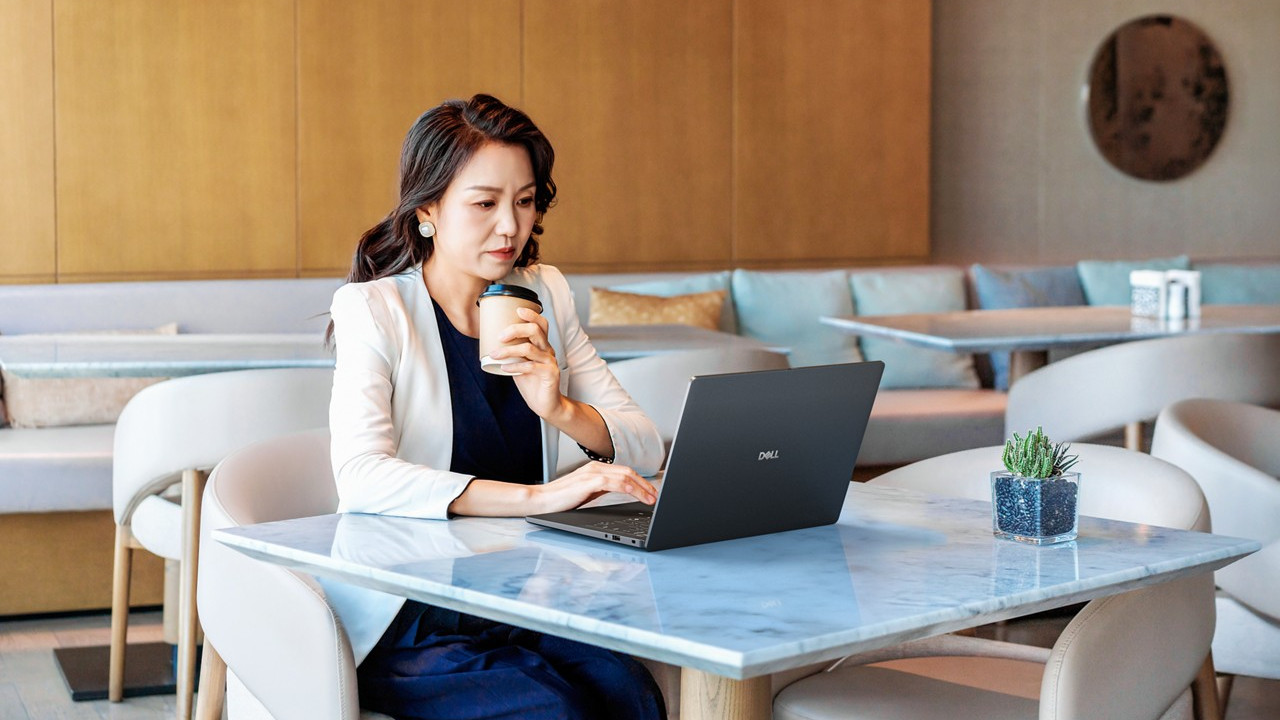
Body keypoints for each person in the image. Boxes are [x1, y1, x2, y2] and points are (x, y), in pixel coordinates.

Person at [325, 94, 667, 720]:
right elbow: (361, 476)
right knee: (553, 709)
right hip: (408, 605)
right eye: (484, 204)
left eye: (526, 201)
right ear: (428, 209)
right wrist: (542, 498)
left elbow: (645, 444)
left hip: (519, 590)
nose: (510, 227)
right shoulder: (375, 311)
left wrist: (558, 405)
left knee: (634, 696)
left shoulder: (545, 292)